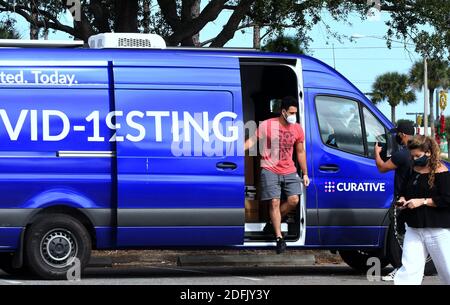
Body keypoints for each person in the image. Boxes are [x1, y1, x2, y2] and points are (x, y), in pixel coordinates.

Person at [244, 96, 310, 254]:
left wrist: (305, 173)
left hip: (289, 170)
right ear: (283, 111)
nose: (294, 115)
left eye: (296, 112)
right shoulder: (268, 125)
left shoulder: (297, 128)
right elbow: (252, 141)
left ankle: (272, 222)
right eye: (291, 112)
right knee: (274, 202)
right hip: (270, 168)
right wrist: (234, 151)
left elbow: (300, 152)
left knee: (294, 200)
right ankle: (279, 238)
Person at [394, 135, 450, 285]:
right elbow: (404, 190)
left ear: (429, 153)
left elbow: (447, 199)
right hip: (414, 227)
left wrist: (423, 202)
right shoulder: (413, 169)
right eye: (412, 156)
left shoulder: (442, 171)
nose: (415, 159)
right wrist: (403, 199)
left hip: (437, 229)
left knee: (447, 270)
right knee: (408, 270)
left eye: (418, 155)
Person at [374, 121, 415, 281]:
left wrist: (376, 152)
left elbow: (382, 167)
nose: (397, 137)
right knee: (411, 236)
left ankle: (400, 269)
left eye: (398, 134)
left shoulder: (402, 154)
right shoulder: (421, 152)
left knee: (396, 236)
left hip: (401, 201)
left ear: (403, 135)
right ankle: (411, 269)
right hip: (416, 199)